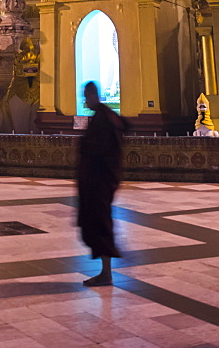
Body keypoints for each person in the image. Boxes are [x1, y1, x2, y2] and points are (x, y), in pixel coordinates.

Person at [76, 80, 125, 286]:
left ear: (94, 96)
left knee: (101, 226)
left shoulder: (105, 118)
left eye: (87, 96)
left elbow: (101, 150)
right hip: (96, 182)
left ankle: (106, 274)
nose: (85, 101)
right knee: (97, 225)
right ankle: (105, 272)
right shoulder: (104, 117)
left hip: (100, 182)